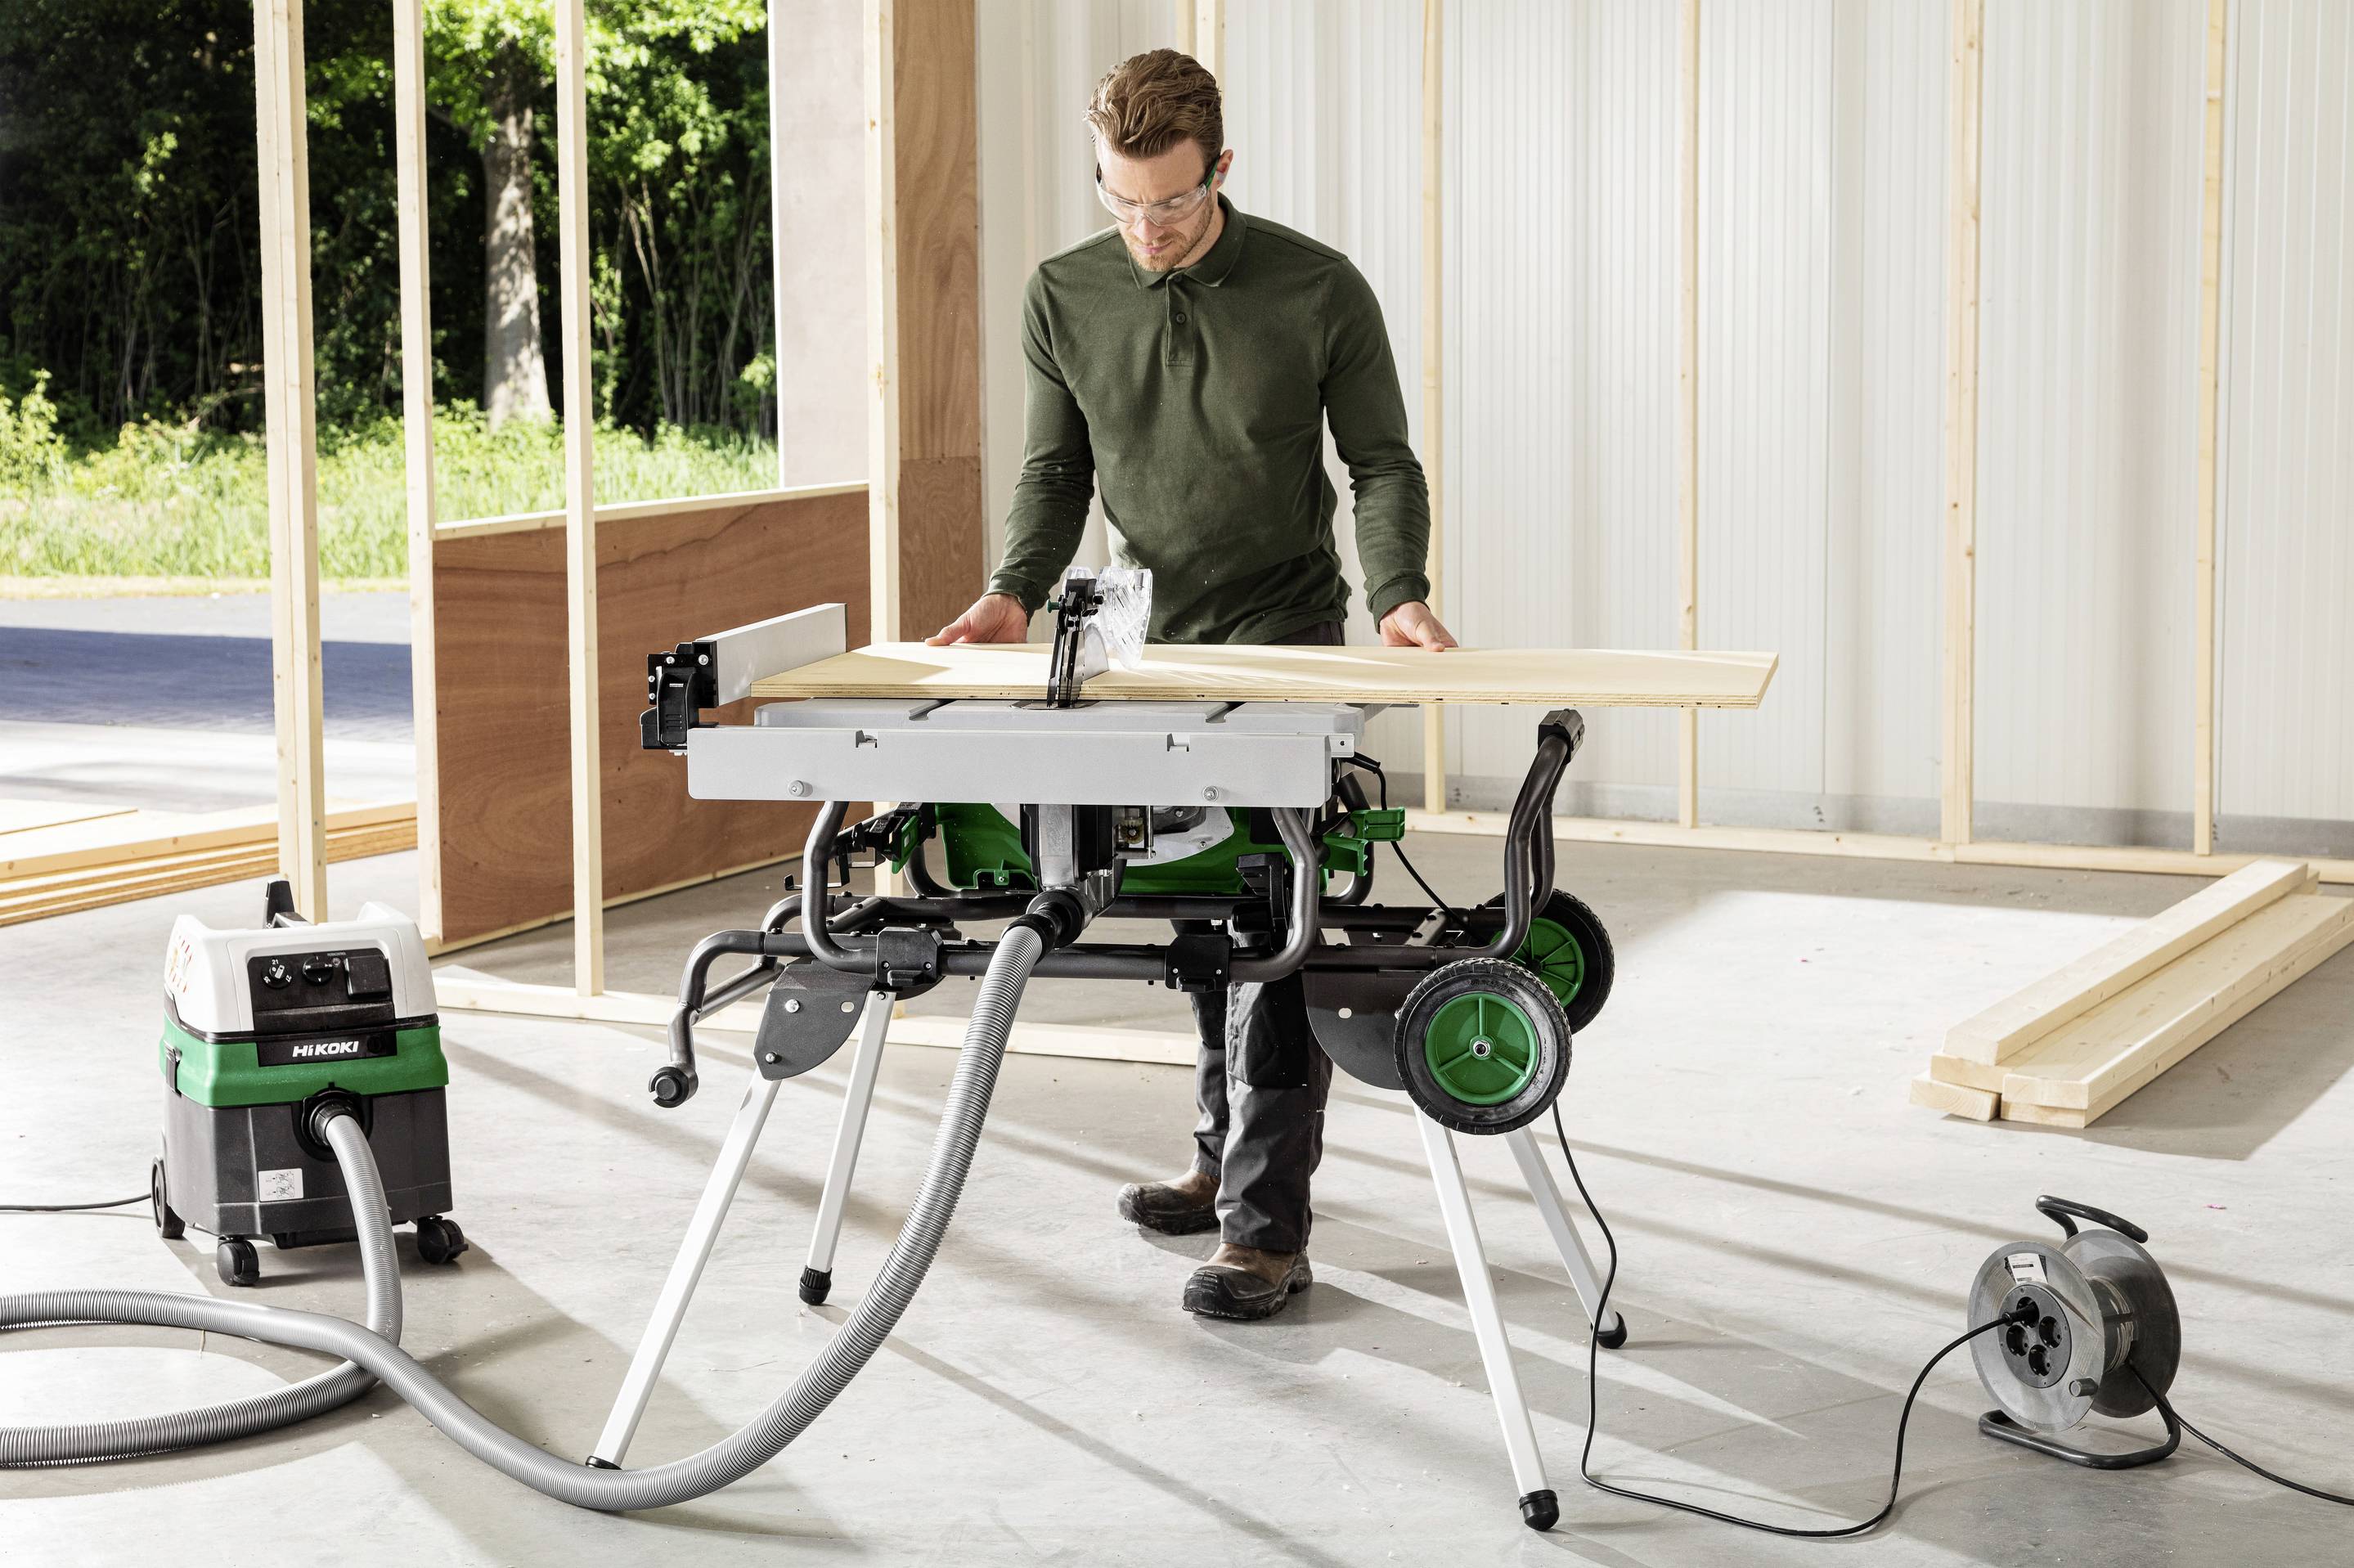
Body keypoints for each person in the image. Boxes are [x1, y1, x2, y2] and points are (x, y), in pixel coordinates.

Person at [928, 48, 1453, 1321]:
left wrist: (1396, 593)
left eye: (1169, 202)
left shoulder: (1316, 288)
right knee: (1195, 907)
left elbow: (1378, 464)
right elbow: (1057, 475)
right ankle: (1220, 1157)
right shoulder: (1064, 293)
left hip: (1280, 631)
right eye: (1121, 203)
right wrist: (1011, 589)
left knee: (1274, 916)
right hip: (1140, 638)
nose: (1145, 230)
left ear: (1220, 169)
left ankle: (1264, 1232)